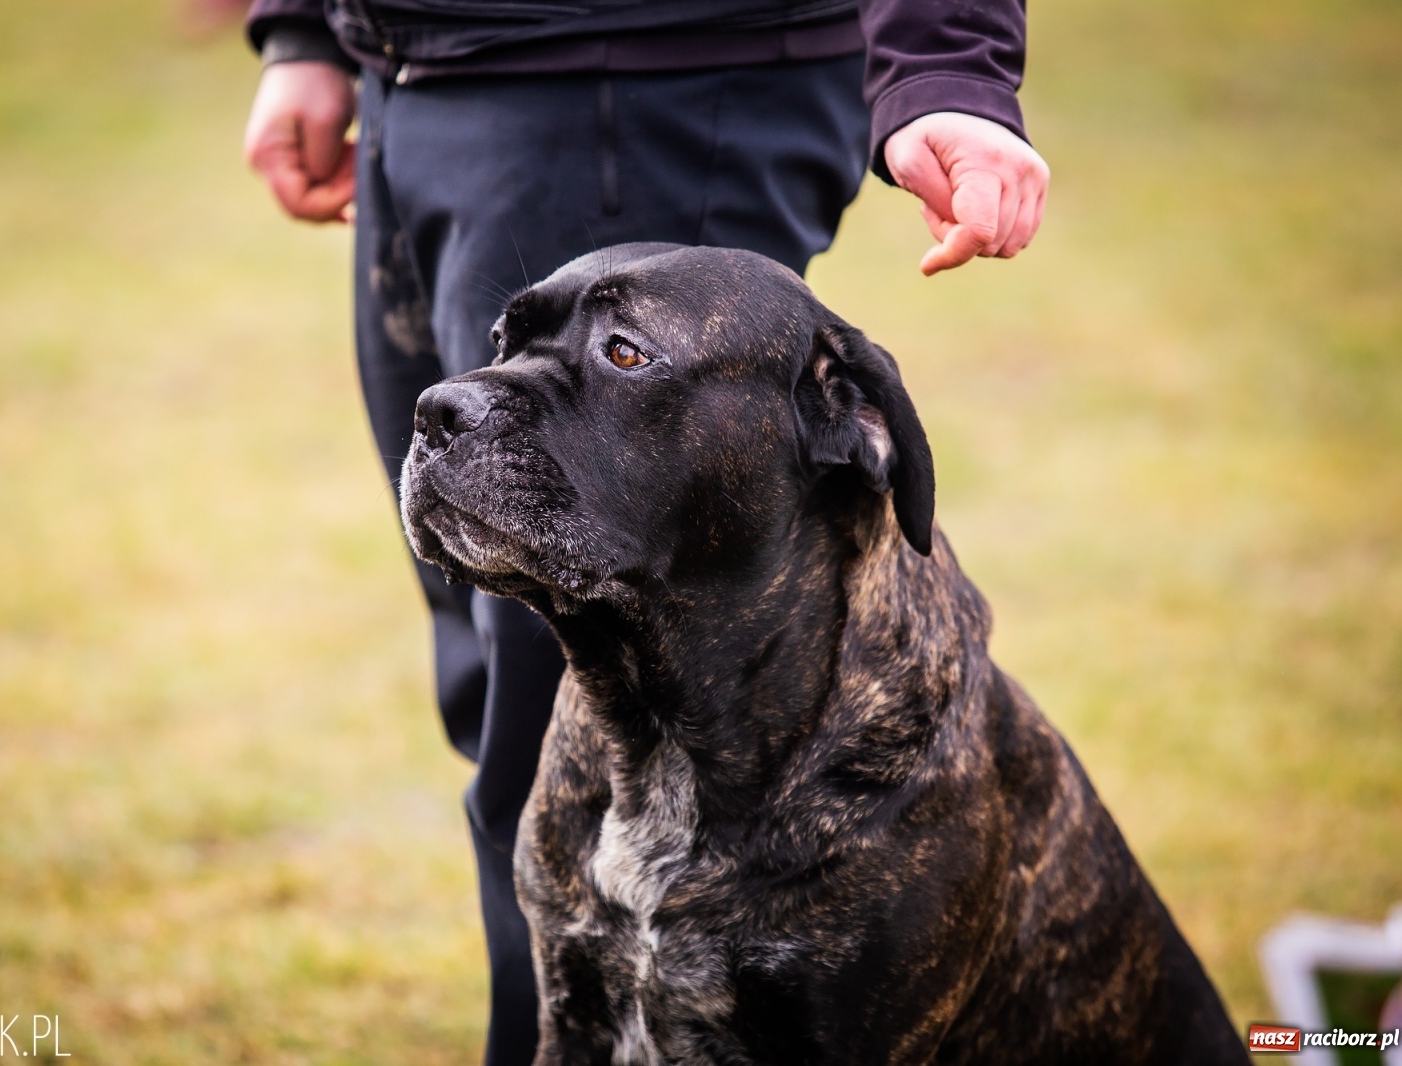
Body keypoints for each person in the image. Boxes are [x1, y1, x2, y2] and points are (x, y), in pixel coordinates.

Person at [240, 2, 1048, 1062]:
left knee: (581, 710)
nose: (458, 401)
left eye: (618, 355)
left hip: (660, 73)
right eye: (507, 349)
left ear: (855, 419)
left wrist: (947, 64)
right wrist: (308, 28)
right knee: (507, 717)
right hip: (415, 74)